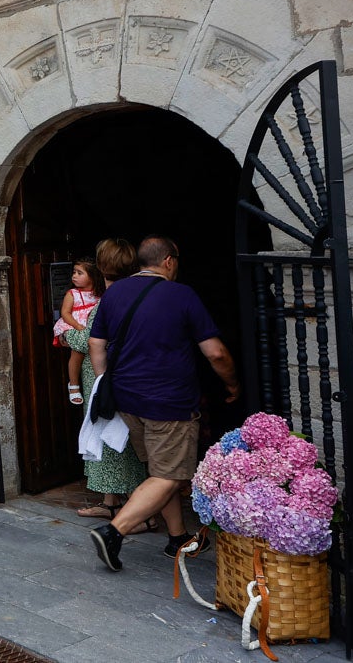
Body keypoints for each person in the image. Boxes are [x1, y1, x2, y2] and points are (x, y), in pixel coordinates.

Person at [87, 235, 240, 572]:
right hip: (169, 401)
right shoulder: (182, 294)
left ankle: (179, 538)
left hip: (127, 399)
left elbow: (96, 342)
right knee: (169, 475)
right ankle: (114, 532)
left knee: (159, 470)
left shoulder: (115, 294)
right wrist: (232, 383)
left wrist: (105, 384)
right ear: (169, 260)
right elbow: (215, 352)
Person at [62, 240, 148, 526]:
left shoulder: (108, 301)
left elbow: (90, 338)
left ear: (100, 267)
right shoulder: (137, 294)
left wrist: (66, 336)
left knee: (115, 437)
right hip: (122, 375)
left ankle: (140, 513)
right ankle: (111, 503)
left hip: (106, 378)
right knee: (110, 436)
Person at [54, 258, 102, 405]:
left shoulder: (98, 294)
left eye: (79, 273)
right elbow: (65, 313)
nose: (74, 276)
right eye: (74, 272)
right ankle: (73, 385)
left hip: (91, 330)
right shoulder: (73, 293)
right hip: (74, 326)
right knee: (77, 352)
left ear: (93, 276)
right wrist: (78, 326)